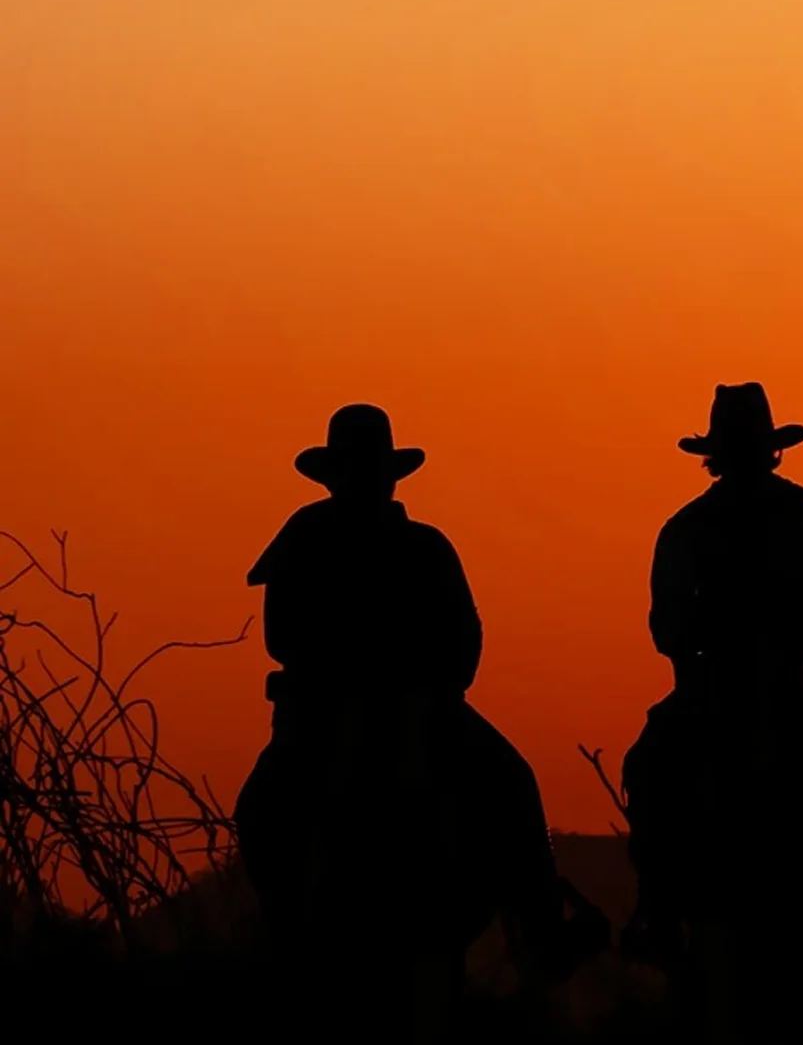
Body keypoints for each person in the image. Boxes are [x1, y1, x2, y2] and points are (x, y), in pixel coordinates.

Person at [235, 402, 593, 973]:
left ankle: (541, 925)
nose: (362, 480)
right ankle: (541, 921)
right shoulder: (308, 537)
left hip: (415, 707)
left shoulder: (420, 546)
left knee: (511, 777)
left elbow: (463, 636)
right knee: (262, 808)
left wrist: (436, 688)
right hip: (327, 708)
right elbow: (283, 638)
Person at [622, 382, 803, 944]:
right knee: (650, 761)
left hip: (789, 669)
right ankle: (659, 903)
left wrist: (790, 627)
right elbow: (665, 625)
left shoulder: (800, 515)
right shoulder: (694, 528)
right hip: (716, 676)